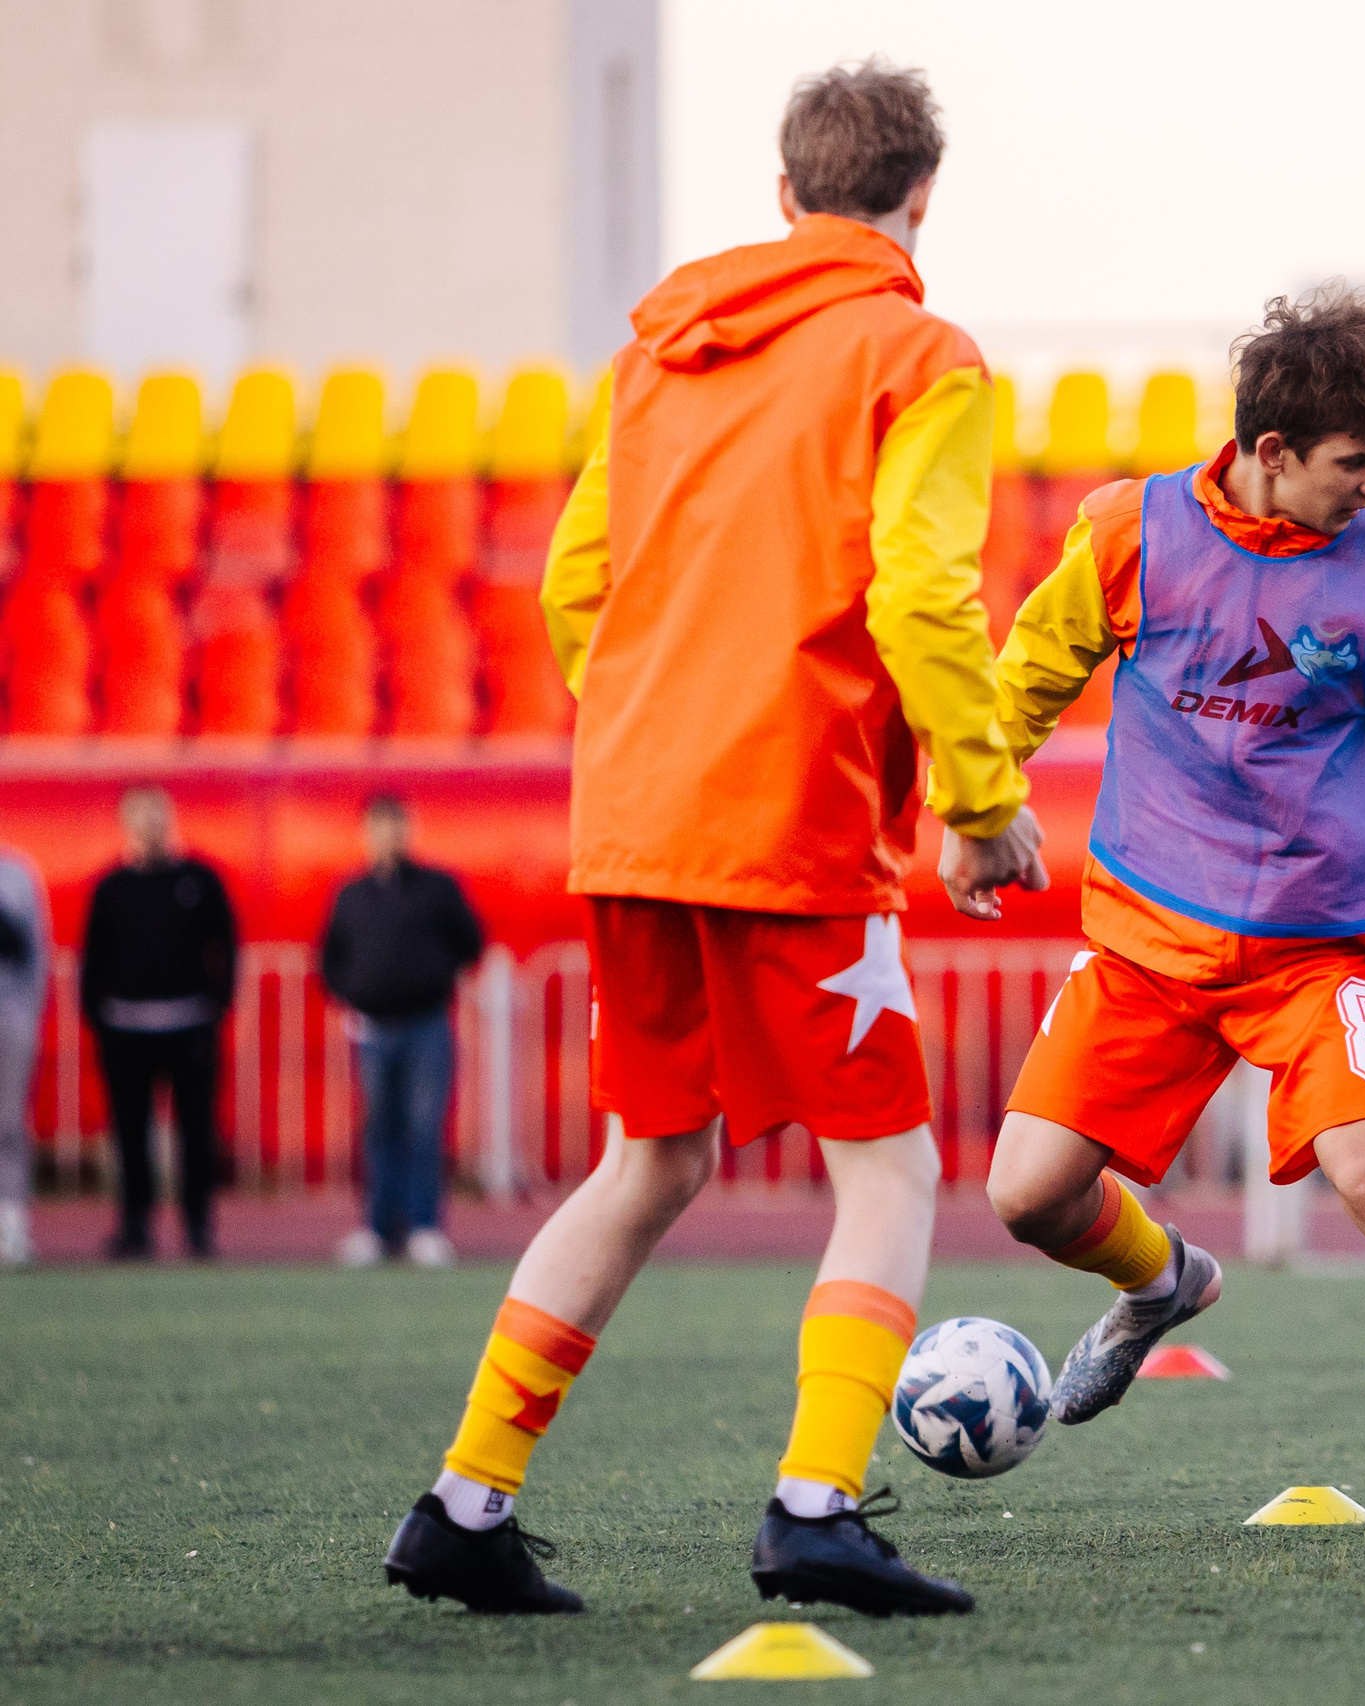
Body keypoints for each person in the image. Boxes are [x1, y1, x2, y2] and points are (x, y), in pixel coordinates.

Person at [382, 57, 1044, 1618]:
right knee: (888, 1166)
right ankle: (815, 1501)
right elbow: (921, 595)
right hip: (790, 813)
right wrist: (981, 798)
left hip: (633, 815)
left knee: (647, 1156)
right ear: (920, 201)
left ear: (784, 195)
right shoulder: (920, 353)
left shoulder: (658, 357)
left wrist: (651, 738)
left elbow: (572, 593)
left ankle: (465, 1500)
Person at [980, 286, 1365, 1542]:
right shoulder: (1126, 531)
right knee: (1027, 1194)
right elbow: (1028, 675)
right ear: (1270, 452)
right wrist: (971, 807)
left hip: (1319, 942)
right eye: (1354, 464)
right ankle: (1162, 1284)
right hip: (1149, 935)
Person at [322, 794, 486, 1270]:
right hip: (373, 1028)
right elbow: (330, 956)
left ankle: (424, 1227)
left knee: (424, 1128)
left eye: (395, 825)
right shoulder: (351, 893)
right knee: (379, 1129)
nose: (388, 835)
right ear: (365, 833)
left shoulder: (437, 888)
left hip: (426, 1024)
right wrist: (353, 993)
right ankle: (377, 1227)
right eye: (378, 826)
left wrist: (431, 977)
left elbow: (470, 941)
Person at [79, 786, 239, 1261]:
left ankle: (197, 1227)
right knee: (130, 1132)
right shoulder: (111, 888)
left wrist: (217, 1004)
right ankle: (134, 1226)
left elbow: (226, 944)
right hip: (125, 1027)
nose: (149, 828)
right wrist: (97, 1014)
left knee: (196, 1131)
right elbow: (95, 956)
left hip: (189, 1022)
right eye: (140, 818)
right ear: (126, 825)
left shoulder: (200, 880)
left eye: (157, 818)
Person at [0, 838, 50, 1267]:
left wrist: (28, 1014)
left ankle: (10, 1224)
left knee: (8, 1122)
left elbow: (33, 950)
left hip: (8, 1012)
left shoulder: (15, 873)